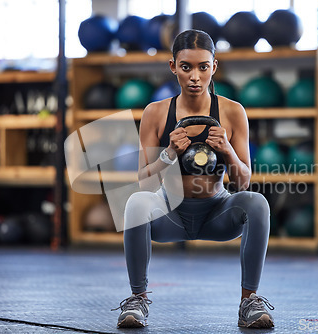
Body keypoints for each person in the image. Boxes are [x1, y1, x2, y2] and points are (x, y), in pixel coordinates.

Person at [111, 29, 274, 329]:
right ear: (173, 67)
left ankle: (249, 301)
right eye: (186, 67)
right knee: (135, 203)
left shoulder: (234, 112)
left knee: (258, 204)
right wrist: (169, 153)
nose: (195, 76)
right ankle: (137, 300)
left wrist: (227, 151)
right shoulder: (156, 113)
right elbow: (144, 183)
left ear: (214, 67)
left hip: (217, 213)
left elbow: (243, 182)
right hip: (169, 214)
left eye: (203, 67)